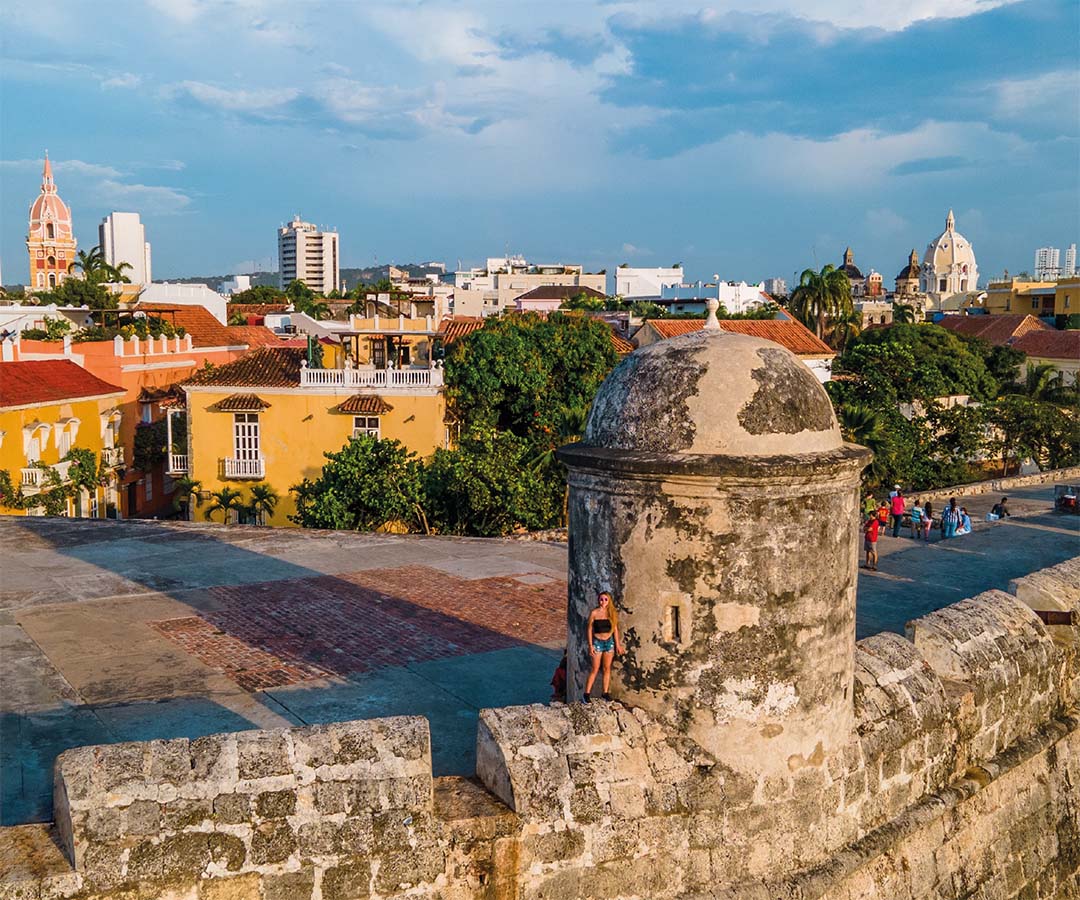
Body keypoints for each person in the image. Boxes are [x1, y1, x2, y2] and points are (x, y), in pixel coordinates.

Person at [583, 591, 622, 703]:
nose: (603, 601)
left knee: (606, 668)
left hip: (609, 643)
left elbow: (615, 629)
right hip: (597, 643)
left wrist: (617, 644)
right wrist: (591, 646)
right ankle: (586, 694)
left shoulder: (612, 613)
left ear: (609, 601)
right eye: (601, 599)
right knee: (595, 669)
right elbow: (589, 629)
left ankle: (605, 693)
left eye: (605, 599)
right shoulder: (594, 613)